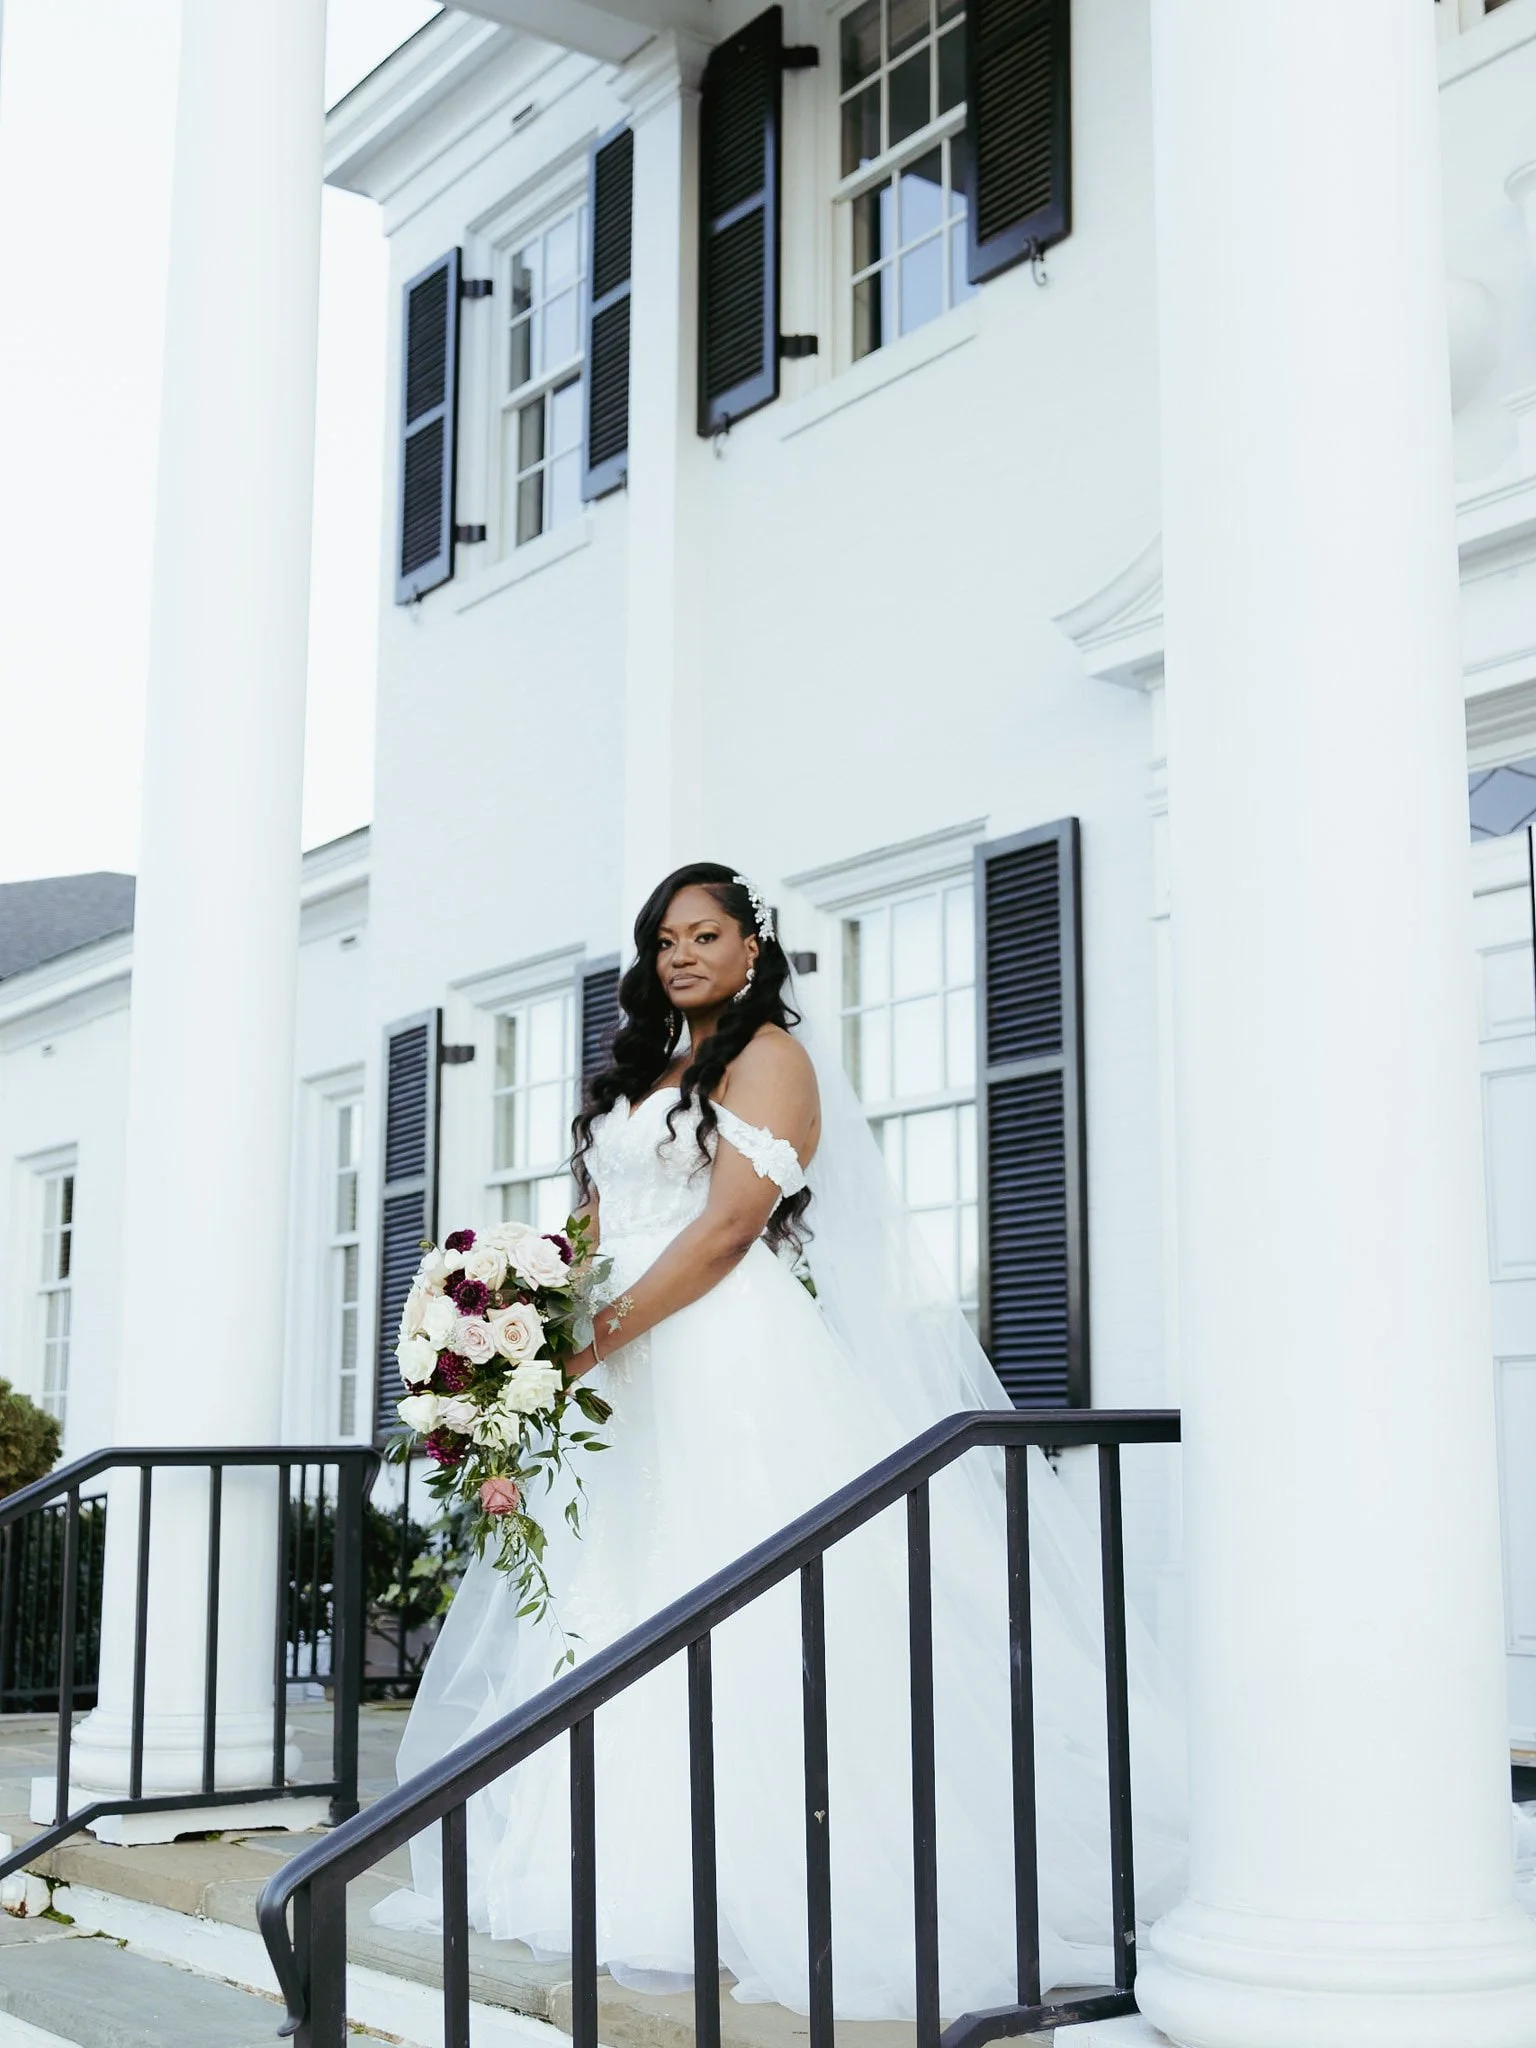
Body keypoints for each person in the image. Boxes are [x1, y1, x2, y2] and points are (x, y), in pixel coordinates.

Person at [375, 863, 1187, 2017]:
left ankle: (767, 1869)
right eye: (664, 939)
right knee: (616, 1591)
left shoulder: (771, 1059)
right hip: (620, 1374)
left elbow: (721, 1231)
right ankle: (633, 1865)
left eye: (705, 934)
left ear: (753, 947)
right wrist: (521, 1328)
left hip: (721, 1356)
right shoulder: (646, 1070)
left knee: (741, 1588)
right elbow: (595, 1222)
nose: (682, 956)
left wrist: (591, 1339)